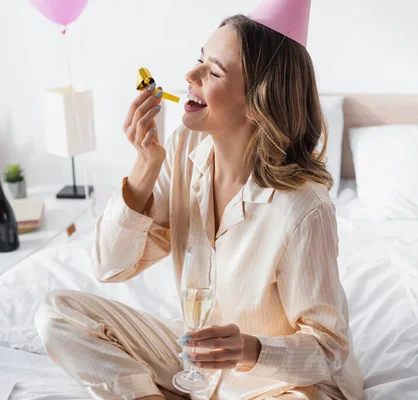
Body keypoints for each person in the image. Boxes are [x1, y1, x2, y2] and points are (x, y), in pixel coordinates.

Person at [34, 0, 364, 398]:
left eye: (214, 71)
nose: (190, 75)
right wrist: (144, 167)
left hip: (278, 381)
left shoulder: (304, 208)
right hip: (196, 358)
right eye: (199, 60)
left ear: (258, 104)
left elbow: (329, 349)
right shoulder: (182, 147)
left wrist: (247, 347)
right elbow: (109, 267)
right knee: (58, 313)